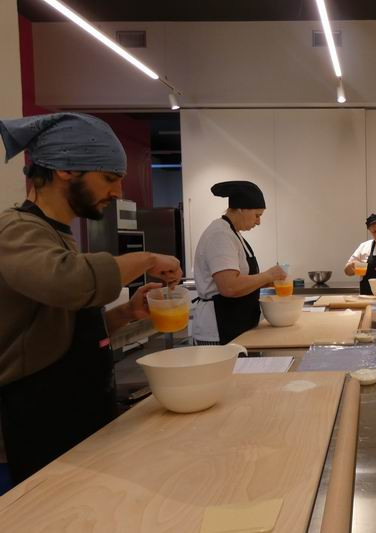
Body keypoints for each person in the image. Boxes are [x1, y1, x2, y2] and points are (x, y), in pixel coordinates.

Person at [0, 112, 182, 484]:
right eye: (110, 178)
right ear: (66, 169)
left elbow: (56, 328)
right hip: (38, 418)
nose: (118, 192)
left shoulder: (57, 235)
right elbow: (69, 282)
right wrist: (147, 259)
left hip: (77, 409)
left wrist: (126, 313)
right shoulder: (16, 229)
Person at [192, 181, 286, 345]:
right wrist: (268, 275)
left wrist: (267, 281)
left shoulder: (232, 234)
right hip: (219, 331)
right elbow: (229, 286)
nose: (258, 222)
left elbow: (239, 280)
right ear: (241, 209)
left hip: (235, 325)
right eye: (257, 215)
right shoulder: (220, 235)